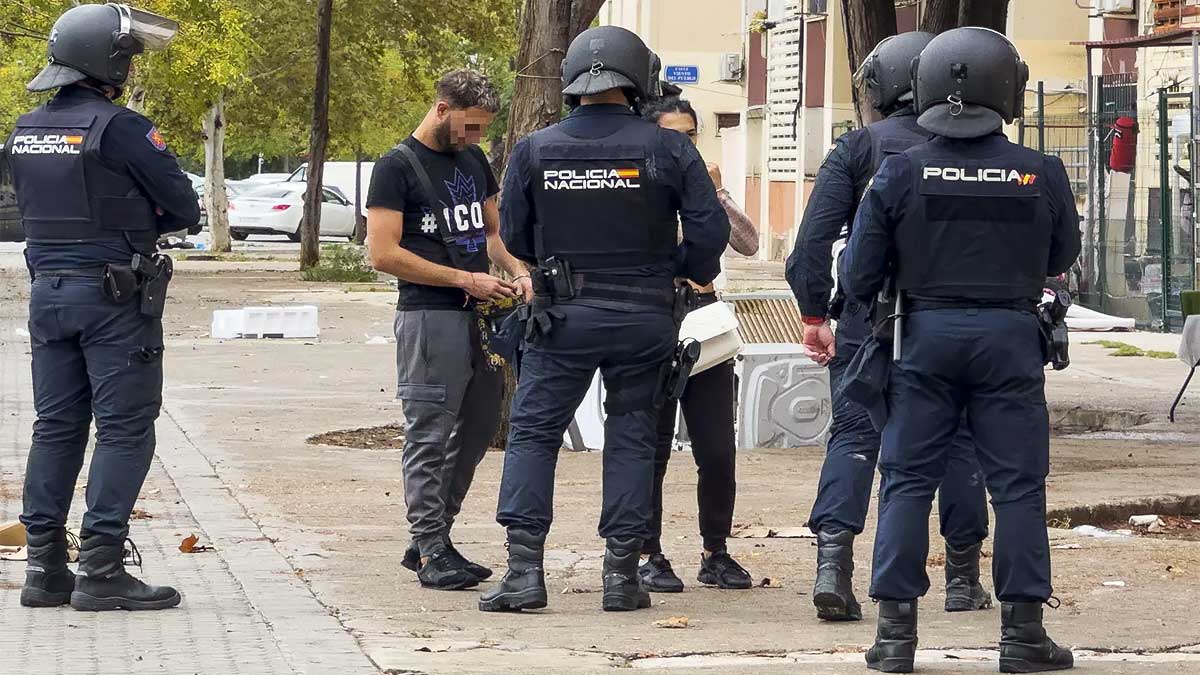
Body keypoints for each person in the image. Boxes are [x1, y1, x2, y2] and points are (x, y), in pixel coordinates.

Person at [840, 27, 1080, 673]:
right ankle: (1022, 636)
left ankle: (894, 639)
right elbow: (1062, 256)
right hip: (1010, 341)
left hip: (923, 338)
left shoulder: (898, 170)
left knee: (908, 481)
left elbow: (857, 275)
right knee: (1019, 487)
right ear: (1007, 88)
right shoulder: (1042, 170)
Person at [478, 26, 730, 613]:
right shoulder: (669, 148)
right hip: (646, 318)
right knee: (634, 437)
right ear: (638, 79)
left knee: (535, 434)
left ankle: (523, 572)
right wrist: (678, 270)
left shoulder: (536, 149)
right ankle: (621, 576)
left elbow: (513, 235)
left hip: (562, 317)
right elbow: (708, 233)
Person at [783, 31, 991, 622]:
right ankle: (961, 576)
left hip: (866, 321)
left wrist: (815, 314)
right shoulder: (989, 149)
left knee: (852, 436)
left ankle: (834, 567)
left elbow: (810, 248)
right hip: (955, 323)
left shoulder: (857, 148)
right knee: (956, 441)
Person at [8, 3, 198, 611]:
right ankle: (102, 569)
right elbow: (184, 208)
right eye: (129, 57)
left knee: (56, 426)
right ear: (108, 62)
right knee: (124, 427)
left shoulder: (24, 129)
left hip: (47, 296)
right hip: (115, 298)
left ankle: (44, 570)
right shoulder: (122, 128)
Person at [366, 69, 533, 591]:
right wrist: (464, 279)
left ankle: (431, 540)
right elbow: (382, 253)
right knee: (429, 433)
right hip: (428, 314)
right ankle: (431, 543)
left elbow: (491, 235)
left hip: (477, 315)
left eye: (482, 130)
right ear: (442, 109)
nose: (475, 138)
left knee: (482, 424)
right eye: (469, 127)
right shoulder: (396, 167)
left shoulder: (475, 161)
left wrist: (519, 271)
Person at [636, 96, 758, 592]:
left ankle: (717, 550)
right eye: (674, 135)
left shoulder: (702, 186)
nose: (684, 144)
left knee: (716, 446)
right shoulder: (641, 183)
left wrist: (716, 192)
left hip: (705, 322)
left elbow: (749, 244)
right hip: (656, 319)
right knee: (651, 445)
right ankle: (647, 551)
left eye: (691, 135)